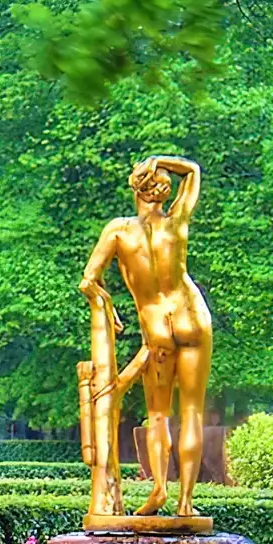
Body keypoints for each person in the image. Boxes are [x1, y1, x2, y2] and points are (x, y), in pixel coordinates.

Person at [78, 155, 212, 520]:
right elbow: (194, 171)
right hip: (194, 317)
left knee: (157, 415)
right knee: (193, 413)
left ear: (135, 187)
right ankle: (185, 504)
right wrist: (161, 160)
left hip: (156, 329)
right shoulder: (177, 220)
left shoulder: (119, 231)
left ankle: (158, 491)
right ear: (162, 190)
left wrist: (107, 304)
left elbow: (88, 280)